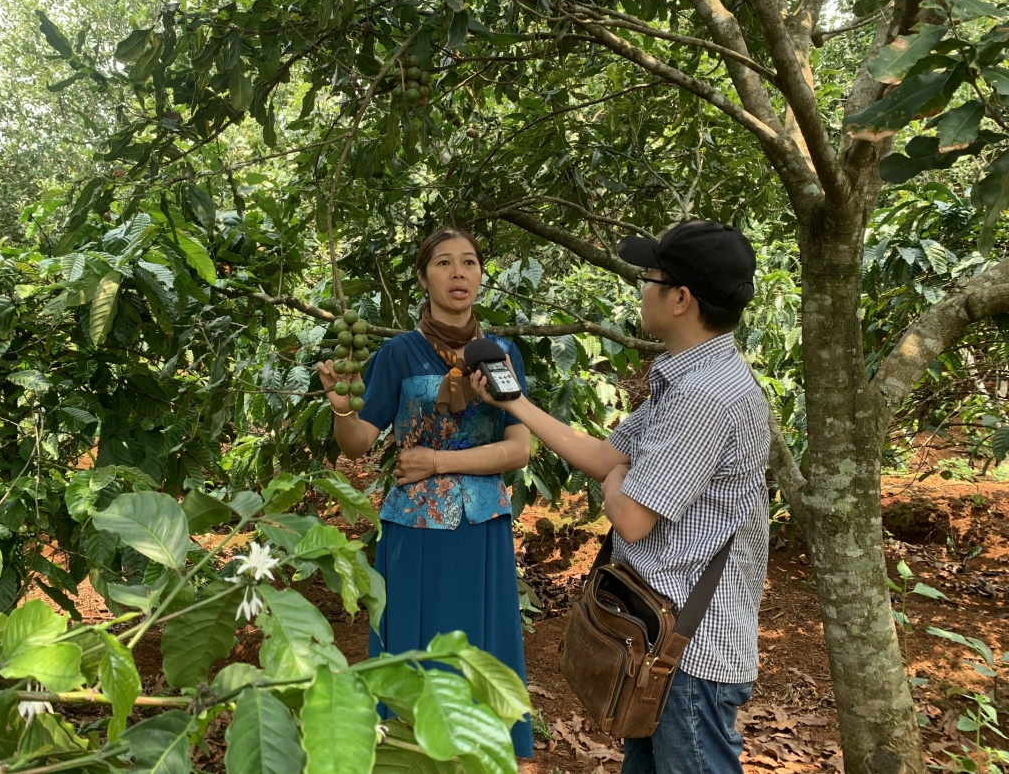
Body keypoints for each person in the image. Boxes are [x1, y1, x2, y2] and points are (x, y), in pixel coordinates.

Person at [472, 219, 769, 774]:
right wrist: (514, 403)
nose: (642, 288)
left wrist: (619, 484)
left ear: (680, 299)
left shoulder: (706, 397)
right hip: (661, 637)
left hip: (690, 653)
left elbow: (631, 517)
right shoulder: (687, 378)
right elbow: (611, 457)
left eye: (650, 277)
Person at [317, 227, 534, 758]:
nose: (458, 274)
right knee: (413, 652)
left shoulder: (502, 354)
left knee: (477, 653)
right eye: (443, 263)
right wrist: (341, 406)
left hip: (481, 526)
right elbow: (358, 444)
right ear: (423, 277)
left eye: (469, 263)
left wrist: (438, 461)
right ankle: (411, 757)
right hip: (414, 528)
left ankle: (477, 757)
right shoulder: (397, 354)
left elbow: (519, 449)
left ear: (482, 274)